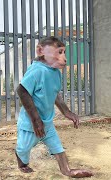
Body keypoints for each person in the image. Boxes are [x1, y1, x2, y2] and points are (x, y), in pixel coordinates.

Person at [15, 36, 93, 178]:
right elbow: (22, 91)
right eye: (59, 52)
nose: (64, 57)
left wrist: (67, 112)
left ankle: (67, 170)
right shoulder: (37, 70)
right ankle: (22, 163)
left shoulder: (55, 73)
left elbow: (55, 94)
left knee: (57, 147)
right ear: (40, 51)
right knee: (23, 148)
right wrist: (35, 119)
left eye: (64, 52)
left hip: (47, 121)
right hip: (30, 123)